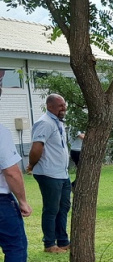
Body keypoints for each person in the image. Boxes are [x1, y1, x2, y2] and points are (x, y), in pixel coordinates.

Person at [0, 87, 47, 262]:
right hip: (1, 201)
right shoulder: (1, 132)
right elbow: (11, 171)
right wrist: (23, 200)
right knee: (15, 247)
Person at [26, 94, 71, 253]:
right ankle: (49, 244)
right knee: (52, 209)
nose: (63, 108)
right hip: (48, 173)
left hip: (62, 173)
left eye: (64, 105)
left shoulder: (57, 122)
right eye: (60, 106)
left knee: (64, 207)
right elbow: (36, 148)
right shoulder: (44, 123)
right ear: (50, 106)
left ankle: (63, 241)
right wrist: (31, 165)